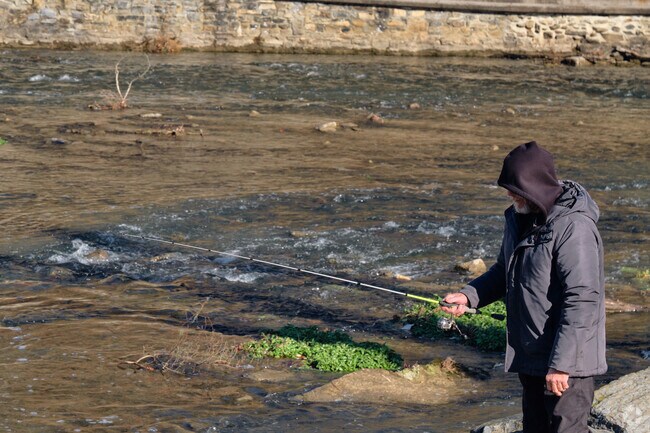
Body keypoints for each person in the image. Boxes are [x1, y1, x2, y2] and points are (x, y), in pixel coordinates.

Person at [441, 141, 607, 433]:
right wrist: (469, 297)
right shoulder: (519, 217)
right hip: (531, 355)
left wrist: (561, 365)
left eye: (513, 187)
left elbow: (583, 300)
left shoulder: (574, 227)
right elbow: (504, 272)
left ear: (532, 185)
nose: (508, 194)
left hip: (569, 363)